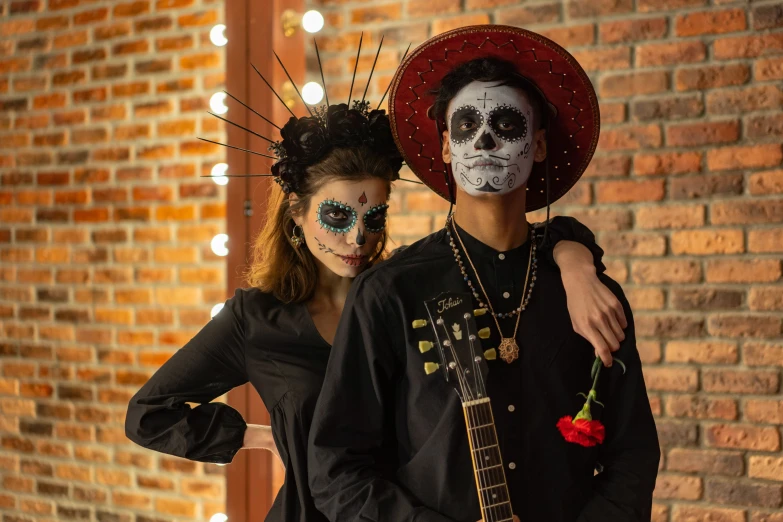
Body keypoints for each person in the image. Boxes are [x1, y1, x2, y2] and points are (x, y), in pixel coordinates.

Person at [125, 38, 628, 522]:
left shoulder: (400, 290)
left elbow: (519, 236)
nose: (358, 238)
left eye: (375, 217)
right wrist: (264, 436)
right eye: (338, 217)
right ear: (296, 216)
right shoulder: (263, 317)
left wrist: (573, 255)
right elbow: (150, 413)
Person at [308, 26, 660, 522]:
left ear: (538, 146)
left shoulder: (591, 292)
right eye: (467, 125)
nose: (486, 141)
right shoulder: (390, 291)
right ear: (447, 146)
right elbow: (336, 468)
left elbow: (634, 453)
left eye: (508, 126)